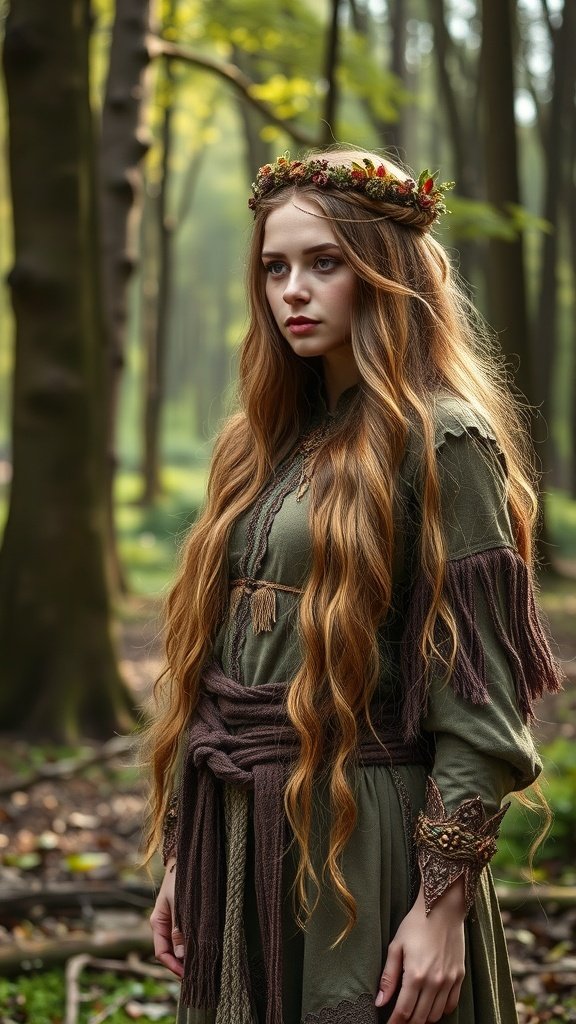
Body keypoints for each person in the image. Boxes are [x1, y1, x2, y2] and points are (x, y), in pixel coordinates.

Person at [144, 148, 562, 1024]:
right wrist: (190, 853)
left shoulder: (445, 442)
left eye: (324, 263)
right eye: (275, 267)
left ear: (386, 272)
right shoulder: (260, 444)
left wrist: (439, 910)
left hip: (364, 851)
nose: (292, 290)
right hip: (245, 837)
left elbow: (480, 713)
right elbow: (221, 673)